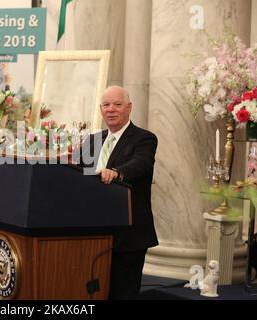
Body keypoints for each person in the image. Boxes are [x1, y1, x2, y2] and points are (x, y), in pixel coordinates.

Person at [81, 86, 158, 299]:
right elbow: (77, 171)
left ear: (129, 108)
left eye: (117, 104)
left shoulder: (144, 139)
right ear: (100, 109)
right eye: (106, 105)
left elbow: (139, 164)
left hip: (128, 234)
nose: (111, 109)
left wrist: (115, 173)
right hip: (94, 234)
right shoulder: (93, 140)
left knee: (122, 294)